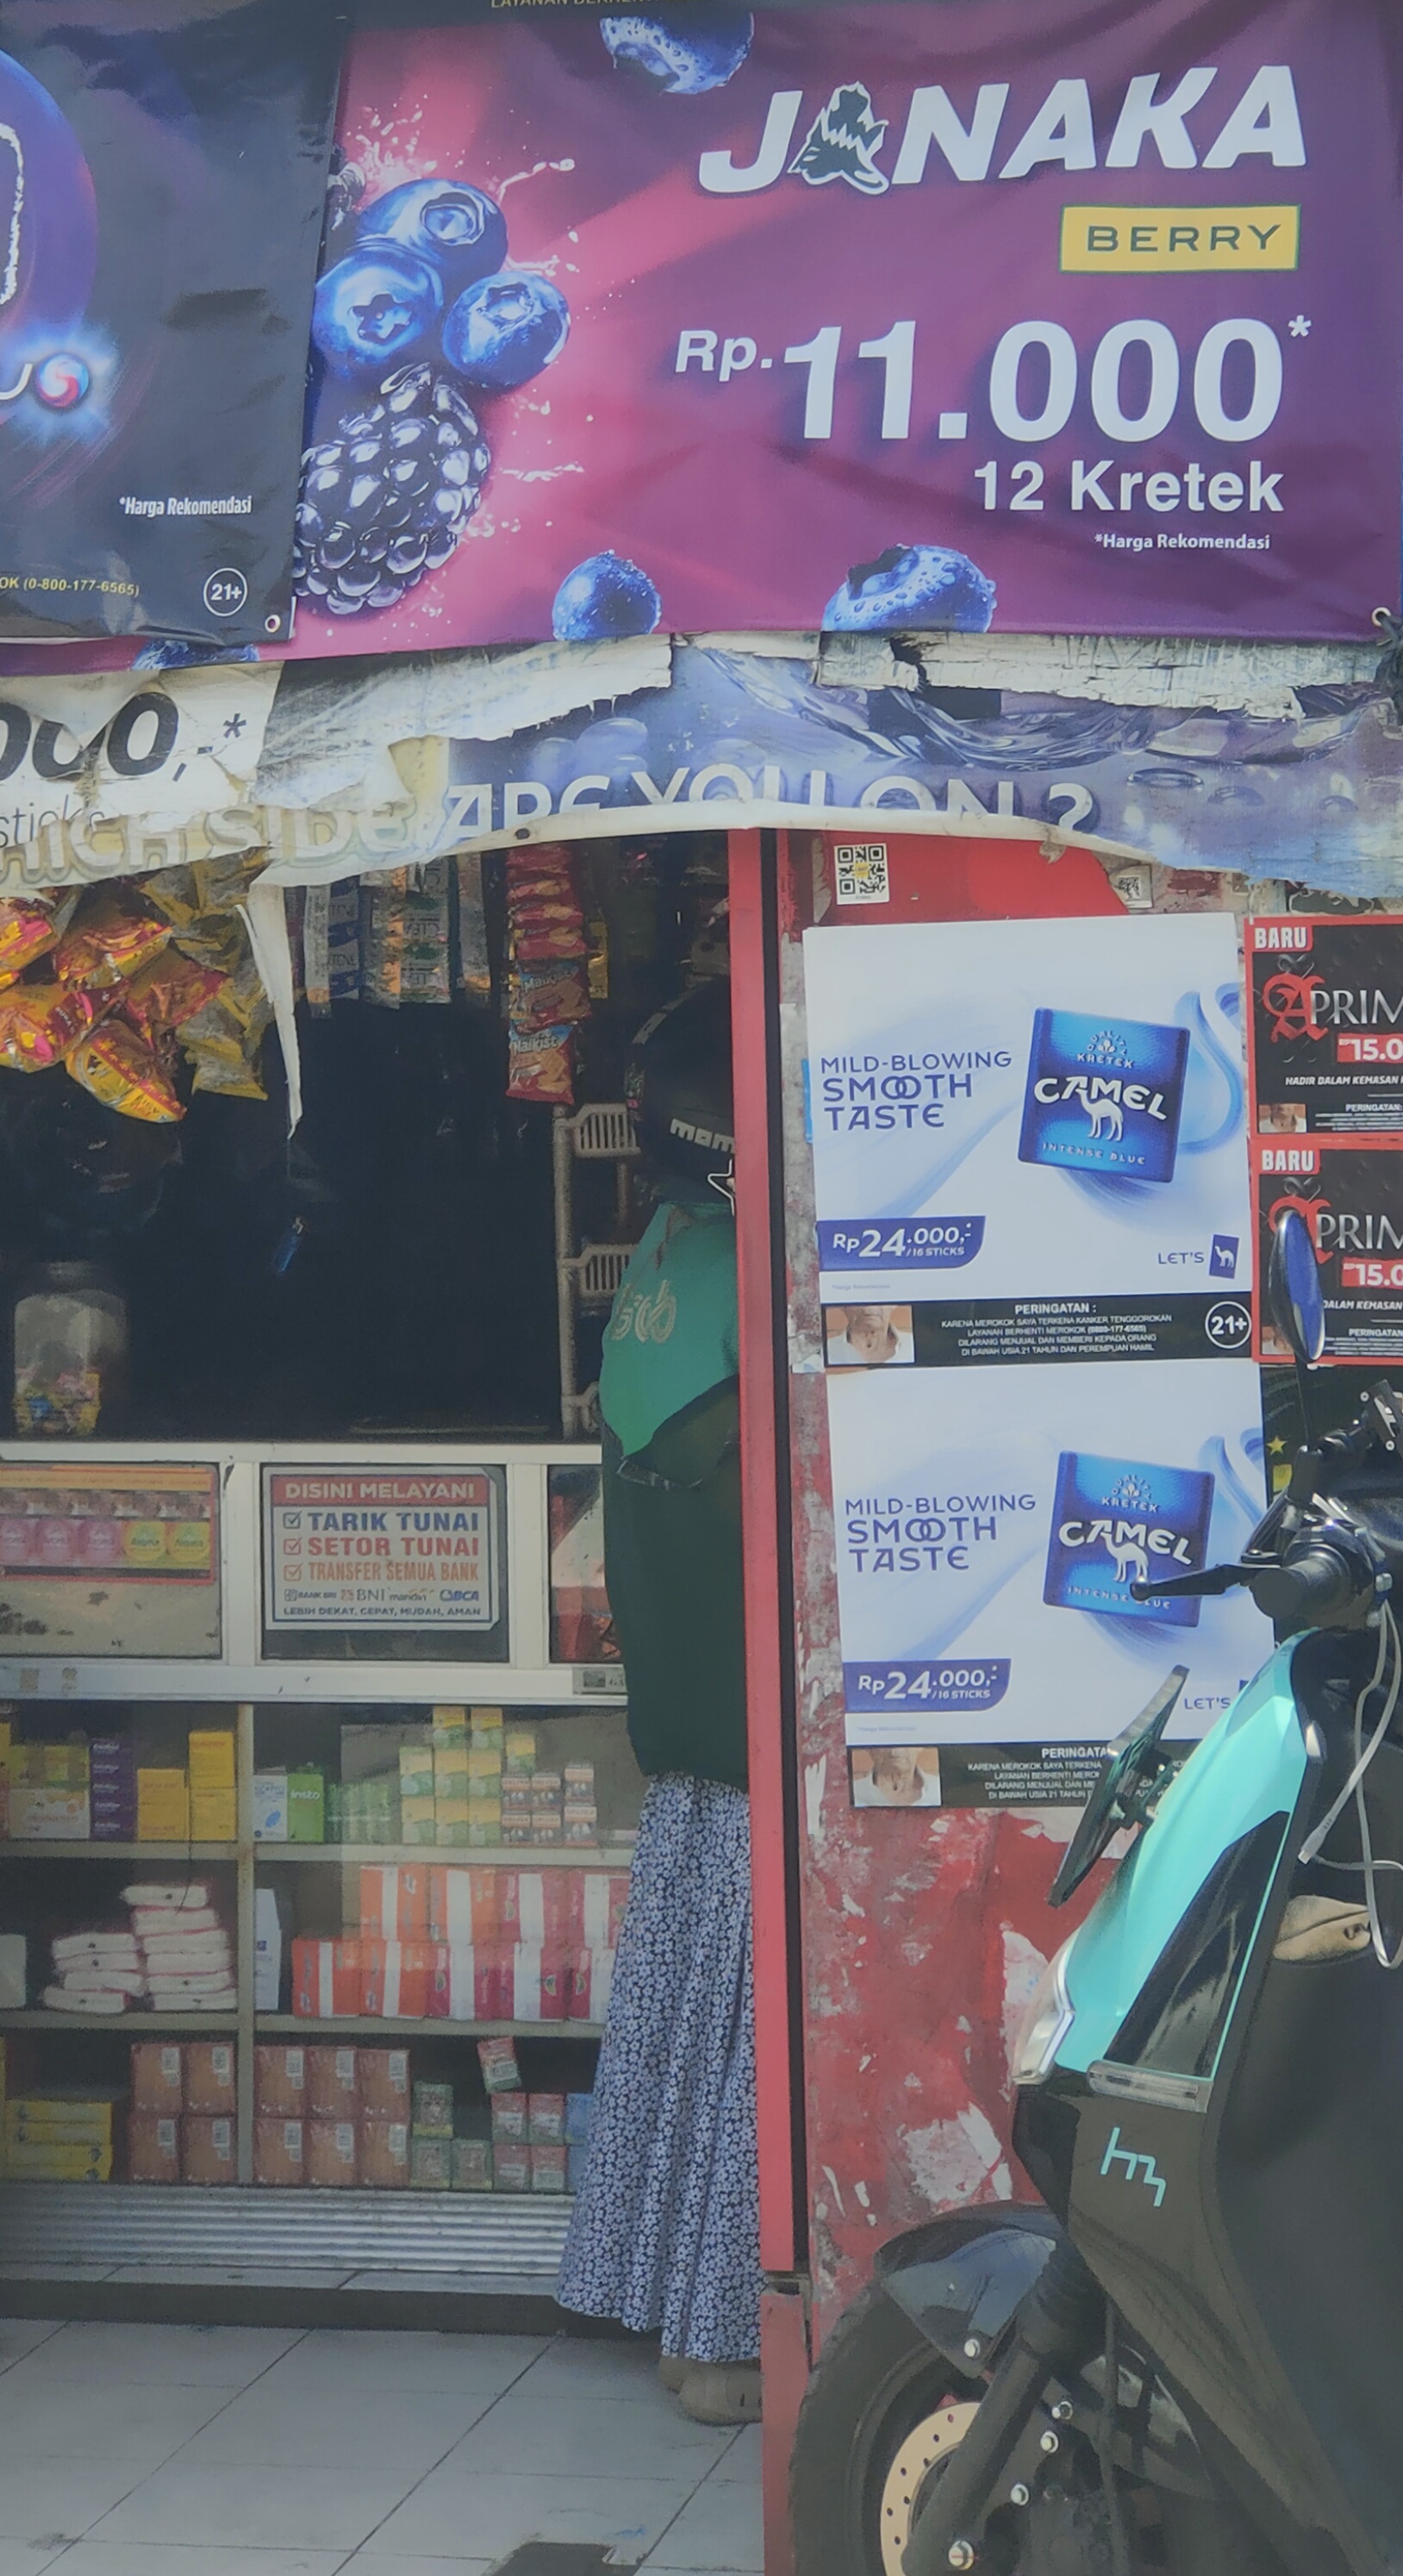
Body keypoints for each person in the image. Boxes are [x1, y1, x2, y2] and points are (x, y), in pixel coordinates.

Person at [558, 977, 761, 2427]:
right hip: (753, 1742)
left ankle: (666, 2304)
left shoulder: (666, 1253)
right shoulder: (756, 1276)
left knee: (683, 2043)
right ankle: (728, 2337)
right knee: (750, 2059)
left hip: (693, 1748)